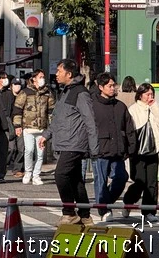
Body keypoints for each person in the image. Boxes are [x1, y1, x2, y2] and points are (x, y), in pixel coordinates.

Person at [39, 60, 98, 226]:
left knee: (60, 174)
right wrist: (46, 135)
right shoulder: (66, 92)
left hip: (74, 143)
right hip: (65, 141)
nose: (56, 74)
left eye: (59, 71)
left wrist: (94, 149)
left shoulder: (80, 93)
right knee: (75, 179)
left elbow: (90, 121)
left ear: (69, 74)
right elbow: (59, 119)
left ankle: (69, 212)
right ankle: (85, 215)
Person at [90, 72, 134, 222]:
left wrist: (130, 147)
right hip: (100, 149)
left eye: (114, 85)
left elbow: (129, 128)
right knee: (100, 181)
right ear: (100, 87)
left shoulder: (120, 106)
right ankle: (103, 210)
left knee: (121, 177)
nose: (113, 88)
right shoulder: (92, 105)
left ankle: (106, 201)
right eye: (109, 85)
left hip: (117, 149)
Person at [123, 83, 159, 221]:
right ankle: (128, 202)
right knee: (139, 181)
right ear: (140, 94)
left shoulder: (155, 107)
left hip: (153, 149)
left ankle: (149, 212)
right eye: (147, 94)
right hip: (137, 151)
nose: (150, 96)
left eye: (152, 94)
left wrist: (154, 106)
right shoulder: (133, 109)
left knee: (152, 182)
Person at [13, 69, 54, 186]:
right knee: (29, 151)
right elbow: (17, 109)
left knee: (40, 153)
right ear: (34, 78)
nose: (43, 79)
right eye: (40, 77)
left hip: (42, 128)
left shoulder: (47, 93)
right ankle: (28, 173)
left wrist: (51, 126)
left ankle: (36, 175)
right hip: (28, 127)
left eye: (43, 77)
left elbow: (52, 110)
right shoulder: (25, 92)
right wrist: (17, 125)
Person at [8, 77, 25, 177]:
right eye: (15, 84)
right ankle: (4, 164)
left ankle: (17, 168)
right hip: (9, 125)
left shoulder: (23, 96)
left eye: (18, 84)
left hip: (21, 125)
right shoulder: (8, 96)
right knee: (11, 148)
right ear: (11, 86)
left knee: (21, 148)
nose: (17, 86)